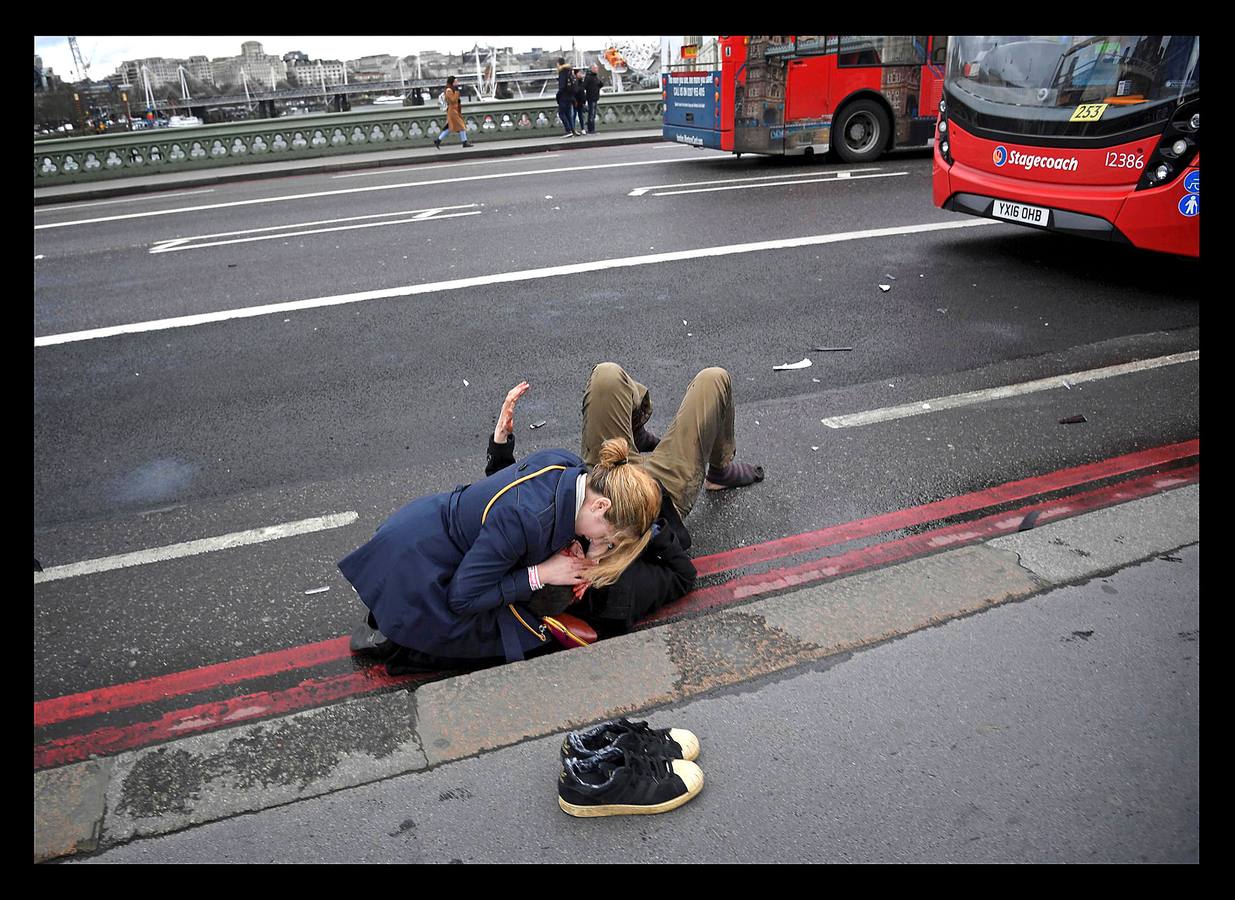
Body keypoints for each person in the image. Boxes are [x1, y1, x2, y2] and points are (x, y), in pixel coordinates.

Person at [341, 429, 662, 672]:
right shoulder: (526, 520)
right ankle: (400, 641)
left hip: (424, 531)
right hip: (420, 573)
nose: (604, 546)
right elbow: (462, 597)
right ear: (601, 505)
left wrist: (500, 448)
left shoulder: (567, 466)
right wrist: (541, 574)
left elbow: (503, 496)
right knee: (520, 637)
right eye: (608, 538)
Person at [433, 76, 472, 149]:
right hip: (452, 111)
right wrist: (457, 92)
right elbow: (453, 100)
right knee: (461, 125)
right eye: (456, 82)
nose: (457, 83)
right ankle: (464, 142)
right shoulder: (449, 90)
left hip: (455, 110)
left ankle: (438, 140)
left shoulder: (451, 89)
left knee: (450, 127)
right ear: (452, 82)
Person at [555, 57, 576, 137]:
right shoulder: (569, 71)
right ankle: (572, 130)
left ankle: (568, 130)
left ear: (558, 64)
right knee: (568, 114)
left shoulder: (562, 72)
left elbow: (562, 87)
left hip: (564, 97)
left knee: (561, 113)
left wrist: (558, 96)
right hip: (570, 96)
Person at [584, 64, 603, 134]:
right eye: (596, 68)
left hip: (594, 97)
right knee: (591, 114)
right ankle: (591, 130)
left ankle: (592, 129)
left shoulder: (594, 77)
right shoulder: (589, 77)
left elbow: (599, 84)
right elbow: (584, 86)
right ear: (592, 69)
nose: (597, 70)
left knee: (593, 114)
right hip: (591, 97)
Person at [572, 69, 587, 135]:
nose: (581, 74)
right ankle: (574, 129)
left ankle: (582, 128)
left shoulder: (581, 81)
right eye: (579, 73)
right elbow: (575, 92)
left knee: (580, 115)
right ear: (576, 74)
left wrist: (583, 101)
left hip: (580, 101)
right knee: (574, 115)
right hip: (576, 101)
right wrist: (575, 101)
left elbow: (582, 92)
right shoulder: (575, 82)